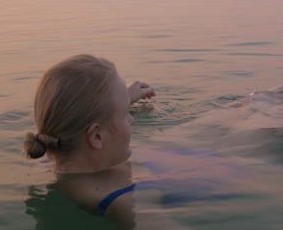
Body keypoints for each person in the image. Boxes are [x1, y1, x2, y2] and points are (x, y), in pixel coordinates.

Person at [23, 54, 186, 229]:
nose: (131, 120)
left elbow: (73, 117)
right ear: (97, 137)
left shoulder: (54, 155)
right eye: (125, 114)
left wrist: (122, 99)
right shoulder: (123, 203)